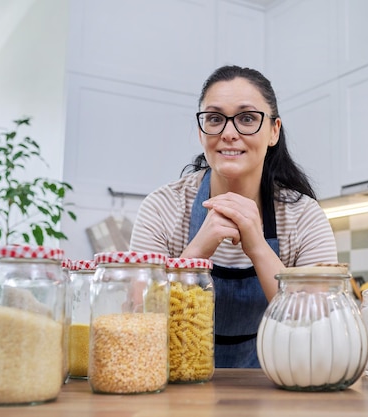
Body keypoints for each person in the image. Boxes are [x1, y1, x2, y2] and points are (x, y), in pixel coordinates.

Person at [130, 65, 338, 368]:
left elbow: (322, 327)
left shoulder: (303, 215)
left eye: (247, 119)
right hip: (178, 387)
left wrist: (257, 247)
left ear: (273, 131)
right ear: (202, 132)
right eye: (214, 119)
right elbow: (138, 321)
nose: (229, 133)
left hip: (275, 387)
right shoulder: (163, 207)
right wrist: (196, 254)